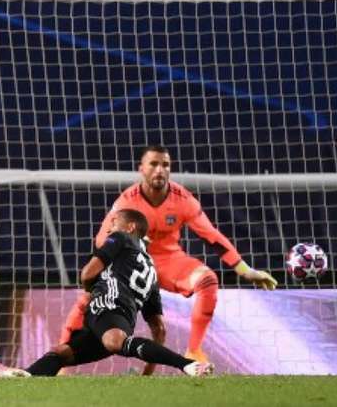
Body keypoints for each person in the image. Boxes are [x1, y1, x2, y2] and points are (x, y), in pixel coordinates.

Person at [59, 145, 277, 368]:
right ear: (141, 169)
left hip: (170, 262)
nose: (160, 170)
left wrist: (245, 270)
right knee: (87, 300)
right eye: (153, 164)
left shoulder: (183, 199)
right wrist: (131, 246)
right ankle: (60, 359)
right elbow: (102, 239)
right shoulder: (127, 202)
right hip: (131, 265)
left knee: (208, 280)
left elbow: (211, 236)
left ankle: (194, 351)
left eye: (165, 165)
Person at [0, 208, 213, 378]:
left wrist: (89, 288)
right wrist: (147, 375)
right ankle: (24, 376)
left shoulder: (121, 238)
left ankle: (188, 365)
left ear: (130, 227)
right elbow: (159, 329)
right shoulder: (151, 268)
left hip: (107, 310)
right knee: (62, 352)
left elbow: (86, 273)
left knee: (114, 342)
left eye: (114, 222)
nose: (110, 227)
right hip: (118, 320)